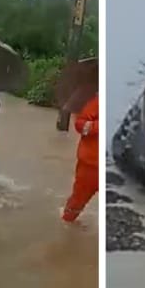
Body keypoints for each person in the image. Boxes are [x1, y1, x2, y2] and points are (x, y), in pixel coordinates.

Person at [62, 94, 99, 223]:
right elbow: (80, 124)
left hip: (101, 165)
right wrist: (98, 126)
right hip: (89, 166)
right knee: (76, 204)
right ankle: (66, 227)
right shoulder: (97, 101)